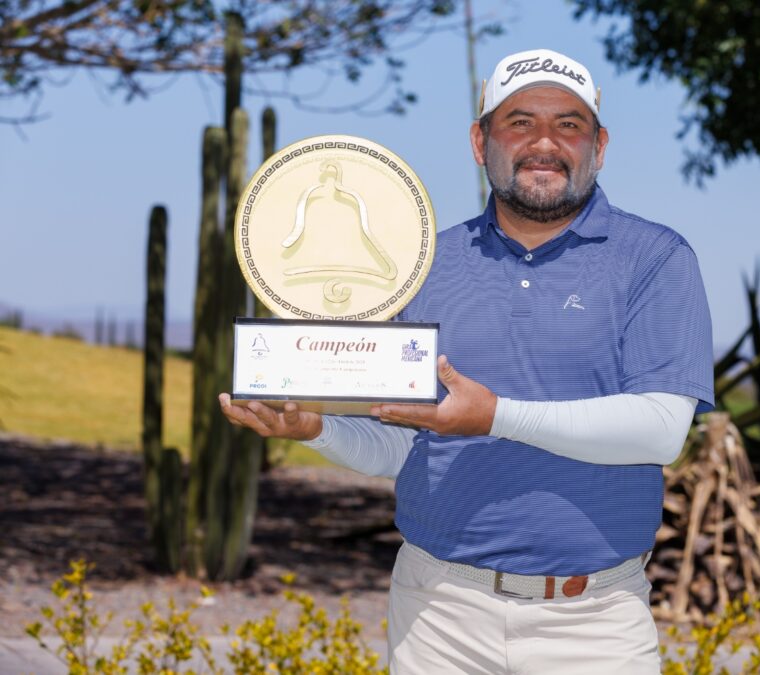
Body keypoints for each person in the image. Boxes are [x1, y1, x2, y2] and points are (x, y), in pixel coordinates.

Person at [219, 48, 714, 674]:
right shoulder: (423, 266)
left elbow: (661, 430)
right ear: (481, 142)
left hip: (595, 622)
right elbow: (403, 445)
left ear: (600, 145)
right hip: (438, 616)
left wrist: (495, 416)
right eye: (519, 122)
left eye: (568, 124)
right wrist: (319, 429)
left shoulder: (655, 258)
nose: (544, 142)